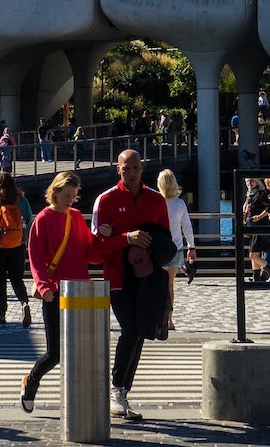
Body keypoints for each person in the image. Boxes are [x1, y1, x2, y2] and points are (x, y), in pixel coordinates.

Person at [91, 149, 171, 420]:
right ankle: (116, 390)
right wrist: (126, 238)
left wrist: (157, 247)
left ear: (142, 167)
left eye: (136, 167)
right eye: (127, 168)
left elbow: (166, 241)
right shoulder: (106, 200)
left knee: (141, 332)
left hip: (148, 278)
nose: (132, 172)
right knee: (131, 328)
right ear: (118, 170)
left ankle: (123, 392)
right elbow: (97, 247)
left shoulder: (156, 200)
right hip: (117, 278)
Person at [20, 171, 94, 412]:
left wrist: (109, 239)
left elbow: (89, 251)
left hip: (79, 291)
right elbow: (36, 258)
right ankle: (30, 383)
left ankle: (75, 401)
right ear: (55, 191)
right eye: (66, 194)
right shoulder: (42, 219)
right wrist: (42, 286)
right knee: (55, 354)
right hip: (53, 292)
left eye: (73, 196)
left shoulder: (76, 217)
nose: (70, 200)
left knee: (80, 350)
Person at [0, 171, 33, 325]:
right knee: (17, 278)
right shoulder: (22, 201)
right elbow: (29, 221)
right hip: (18, 244)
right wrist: (25, 240)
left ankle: (2, 315)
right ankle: (24, 303)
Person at [156, 169, 196, 330]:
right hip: (176, 249)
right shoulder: (180, 204)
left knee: (157, 285)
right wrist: (191, 247)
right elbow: (187, 227)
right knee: (170, 285)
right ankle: (169, 320)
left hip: (158, 249)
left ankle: (158, 317)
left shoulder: (156, 201)